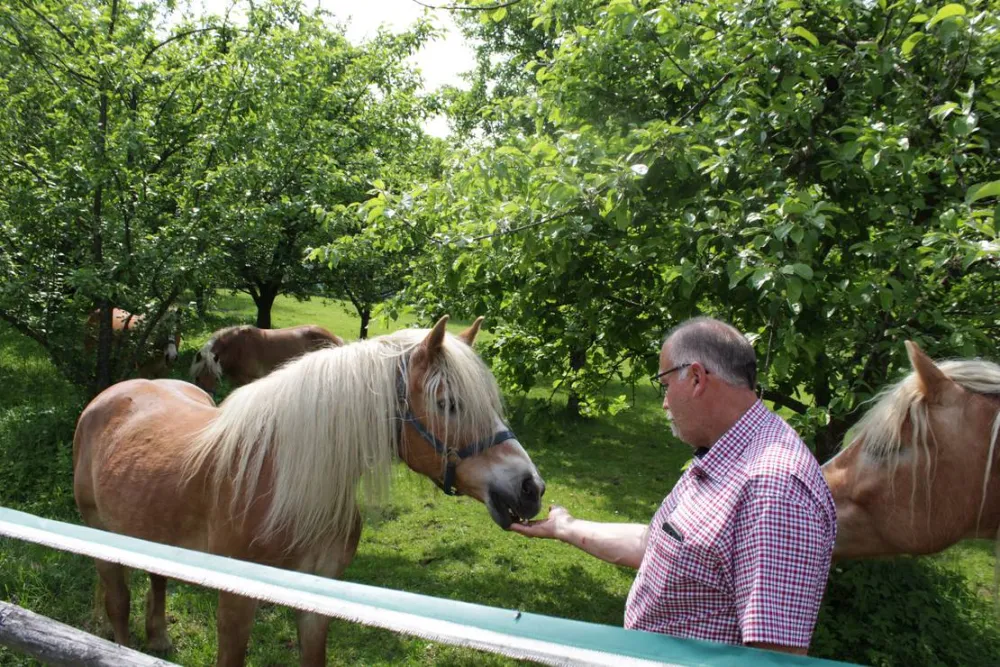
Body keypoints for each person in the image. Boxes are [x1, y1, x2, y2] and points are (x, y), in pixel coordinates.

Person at [511, 317, 836, 655]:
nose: (664, 403)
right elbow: (655, 546)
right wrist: (564, 527)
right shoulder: (727, 453)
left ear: (696, 378)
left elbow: (773, 662)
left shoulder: (774, 490)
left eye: (665, 386)